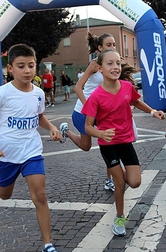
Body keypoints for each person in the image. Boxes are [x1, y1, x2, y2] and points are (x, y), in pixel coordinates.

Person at [0, 44, 64, 252]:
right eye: (21, 66)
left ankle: (48, 245)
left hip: (31, 152)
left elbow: (39, 116)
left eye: (31, 65)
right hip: (4, 154)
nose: (27, 70)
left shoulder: (38, 93)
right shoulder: (2, 93)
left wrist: (51, 127)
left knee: (40, 196)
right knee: (4, 194)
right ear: (10, 68)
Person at [82, 49, 165, 236]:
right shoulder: (96, 96)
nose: (115, 67)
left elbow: (136, 102)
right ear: (100, 68)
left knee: (134, 182)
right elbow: (88, 127)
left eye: (118, 63)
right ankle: (119, 217)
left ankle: (121, 175)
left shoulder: (127, 87)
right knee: (119, 183)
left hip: (125, 141)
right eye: (110, 63)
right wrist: (101, 133)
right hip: (108, 146)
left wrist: (152, 111)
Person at [59, 32, 117, 192]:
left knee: (109, 144)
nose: (112, 47)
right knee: (86, 146)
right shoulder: (94, 64)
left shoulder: (114, 64)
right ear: (99, 48)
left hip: (102, 113)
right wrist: (89, 107)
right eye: (108, 45)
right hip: (83, 112)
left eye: (114, 45)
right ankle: (66, 131)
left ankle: (109, 180)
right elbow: (78, 87)